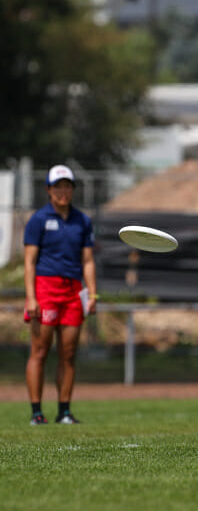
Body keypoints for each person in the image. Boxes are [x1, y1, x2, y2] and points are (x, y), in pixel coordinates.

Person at [23, 165, 97, 425]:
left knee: (69, 353)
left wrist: (93, 293)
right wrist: (31, 297)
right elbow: (29, 261)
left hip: (73, 291)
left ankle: (64, 411)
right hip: (45, 289)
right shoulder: (39, 219)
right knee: (40, 350)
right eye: (58, 186)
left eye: (67, 186)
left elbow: (87, 261)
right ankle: (36, 412)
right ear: (48, 190)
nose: (63, 191)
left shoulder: (82, 220)